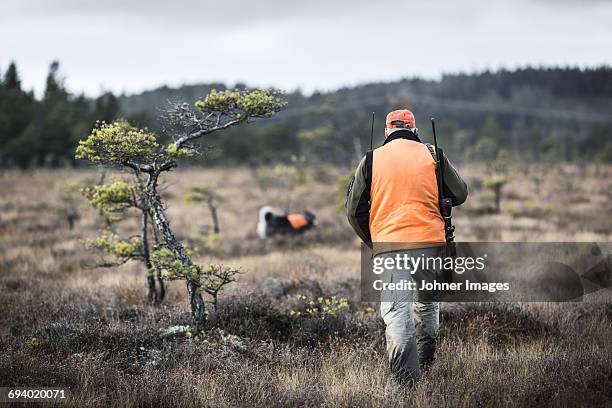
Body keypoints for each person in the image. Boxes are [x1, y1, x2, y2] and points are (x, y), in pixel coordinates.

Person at [346, 109, 468, 383]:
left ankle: (405, 382)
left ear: (387, 131)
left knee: (396, 312)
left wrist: (374, 241)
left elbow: (354, 212)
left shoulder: (371, 159)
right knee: (426, 306)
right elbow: (460, 193)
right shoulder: (433, 154)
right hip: (431, 245)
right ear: (414, 130)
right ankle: (426, 365)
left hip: (390, 247)